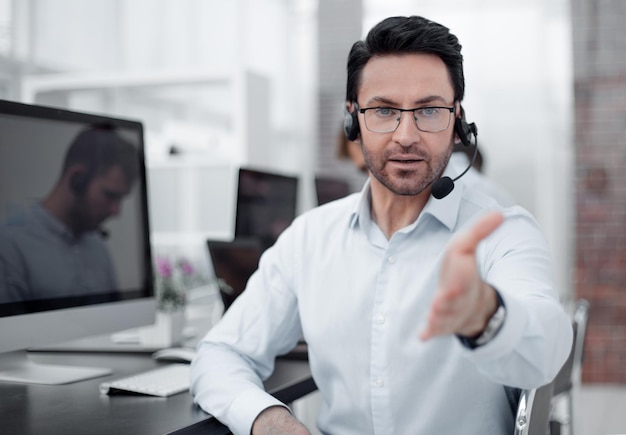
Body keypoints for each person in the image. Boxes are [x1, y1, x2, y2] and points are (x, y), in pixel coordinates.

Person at [190, 15, 573, 434]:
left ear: (458, 121)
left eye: (429, 109)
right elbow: (220, 355)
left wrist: (487, 316)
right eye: (385, 110)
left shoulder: (503, 233)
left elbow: (546, 349)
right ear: (353, 119)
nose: (406, 134)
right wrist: (267, 418)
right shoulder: (309, 238)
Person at [0, 124, 139, 302]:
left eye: (121, 199)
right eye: (109, 195)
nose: (116, 211)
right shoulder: (10, 244)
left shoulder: (97, 246)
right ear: (77, 179)